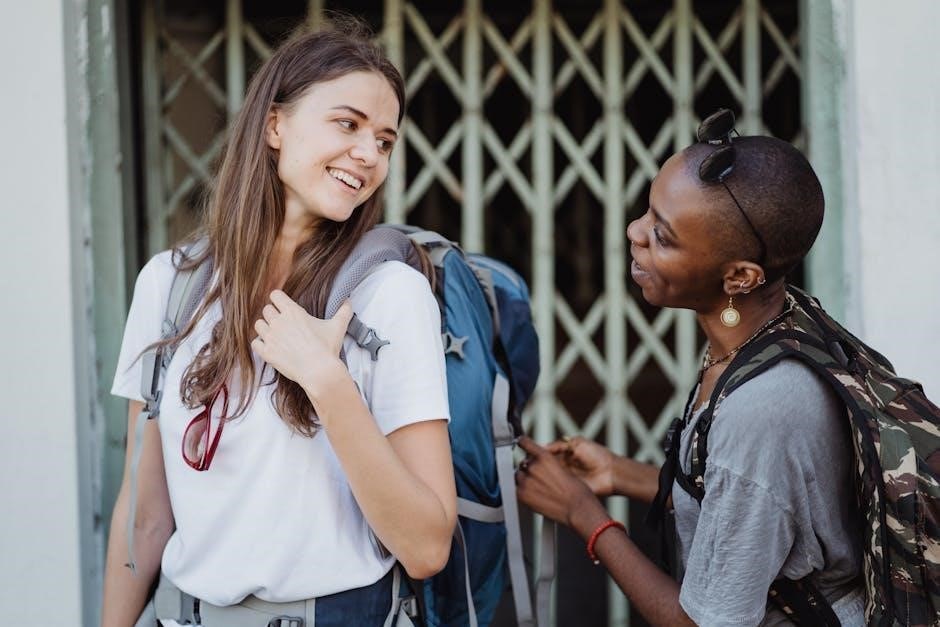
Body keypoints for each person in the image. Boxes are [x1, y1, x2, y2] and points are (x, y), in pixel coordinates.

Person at [102, 22, 456, 627]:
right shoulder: (169, 286)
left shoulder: (390, 294)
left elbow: (426, 548)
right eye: (347, 124)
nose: (369, 154)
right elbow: (145, 516)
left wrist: (327, 381)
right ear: (274, 126)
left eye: (386, 140)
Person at [515, 110, 865, 626]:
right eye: (648, 212)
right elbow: (751, 502)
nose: (634, 232)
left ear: (740, 277)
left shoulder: (763, 411)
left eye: (664, 236)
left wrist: (582, 515)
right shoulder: (782, 327)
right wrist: (623, 474)